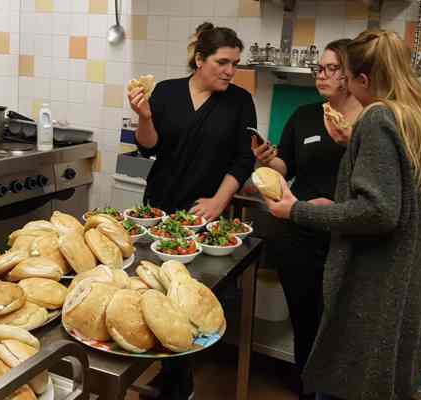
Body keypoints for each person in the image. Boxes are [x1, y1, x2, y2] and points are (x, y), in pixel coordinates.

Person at [262, 29, 421, 400]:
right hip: (406, 280)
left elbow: (379, 212)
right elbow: (410, 195)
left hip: (374, 282)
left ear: (364, 79)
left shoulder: (377, 117)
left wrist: (298, 210)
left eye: (346, 77)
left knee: (342, 383)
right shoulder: (419, 117)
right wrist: (353, 146)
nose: (343, 84)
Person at [128, 23, 256, 399]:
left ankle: (178, 382)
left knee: (189, 299)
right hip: (159, 211)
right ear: (200, 60)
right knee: (154, 291)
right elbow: (149, 147)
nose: (230, 71)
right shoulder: (167, 92)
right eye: (222, 62)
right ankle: (168, 371)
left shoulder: (240, 101)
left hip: (203, 216)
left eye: (235, 64)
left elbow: (243, 158)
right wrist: (144, 116)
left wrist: (219, 201)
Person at [250, 38, 362, 400]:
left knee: (342, 326)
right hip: (299, 234)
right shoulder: (304, 115)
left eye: (332, 69)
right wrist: (268, 158)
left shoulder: (369, 120)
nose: (321, 75)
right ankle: (307, 389)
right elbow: (287, 167)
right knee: (305, 320)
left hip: (346, 238)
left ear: (350, 75)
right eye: (319, 68)